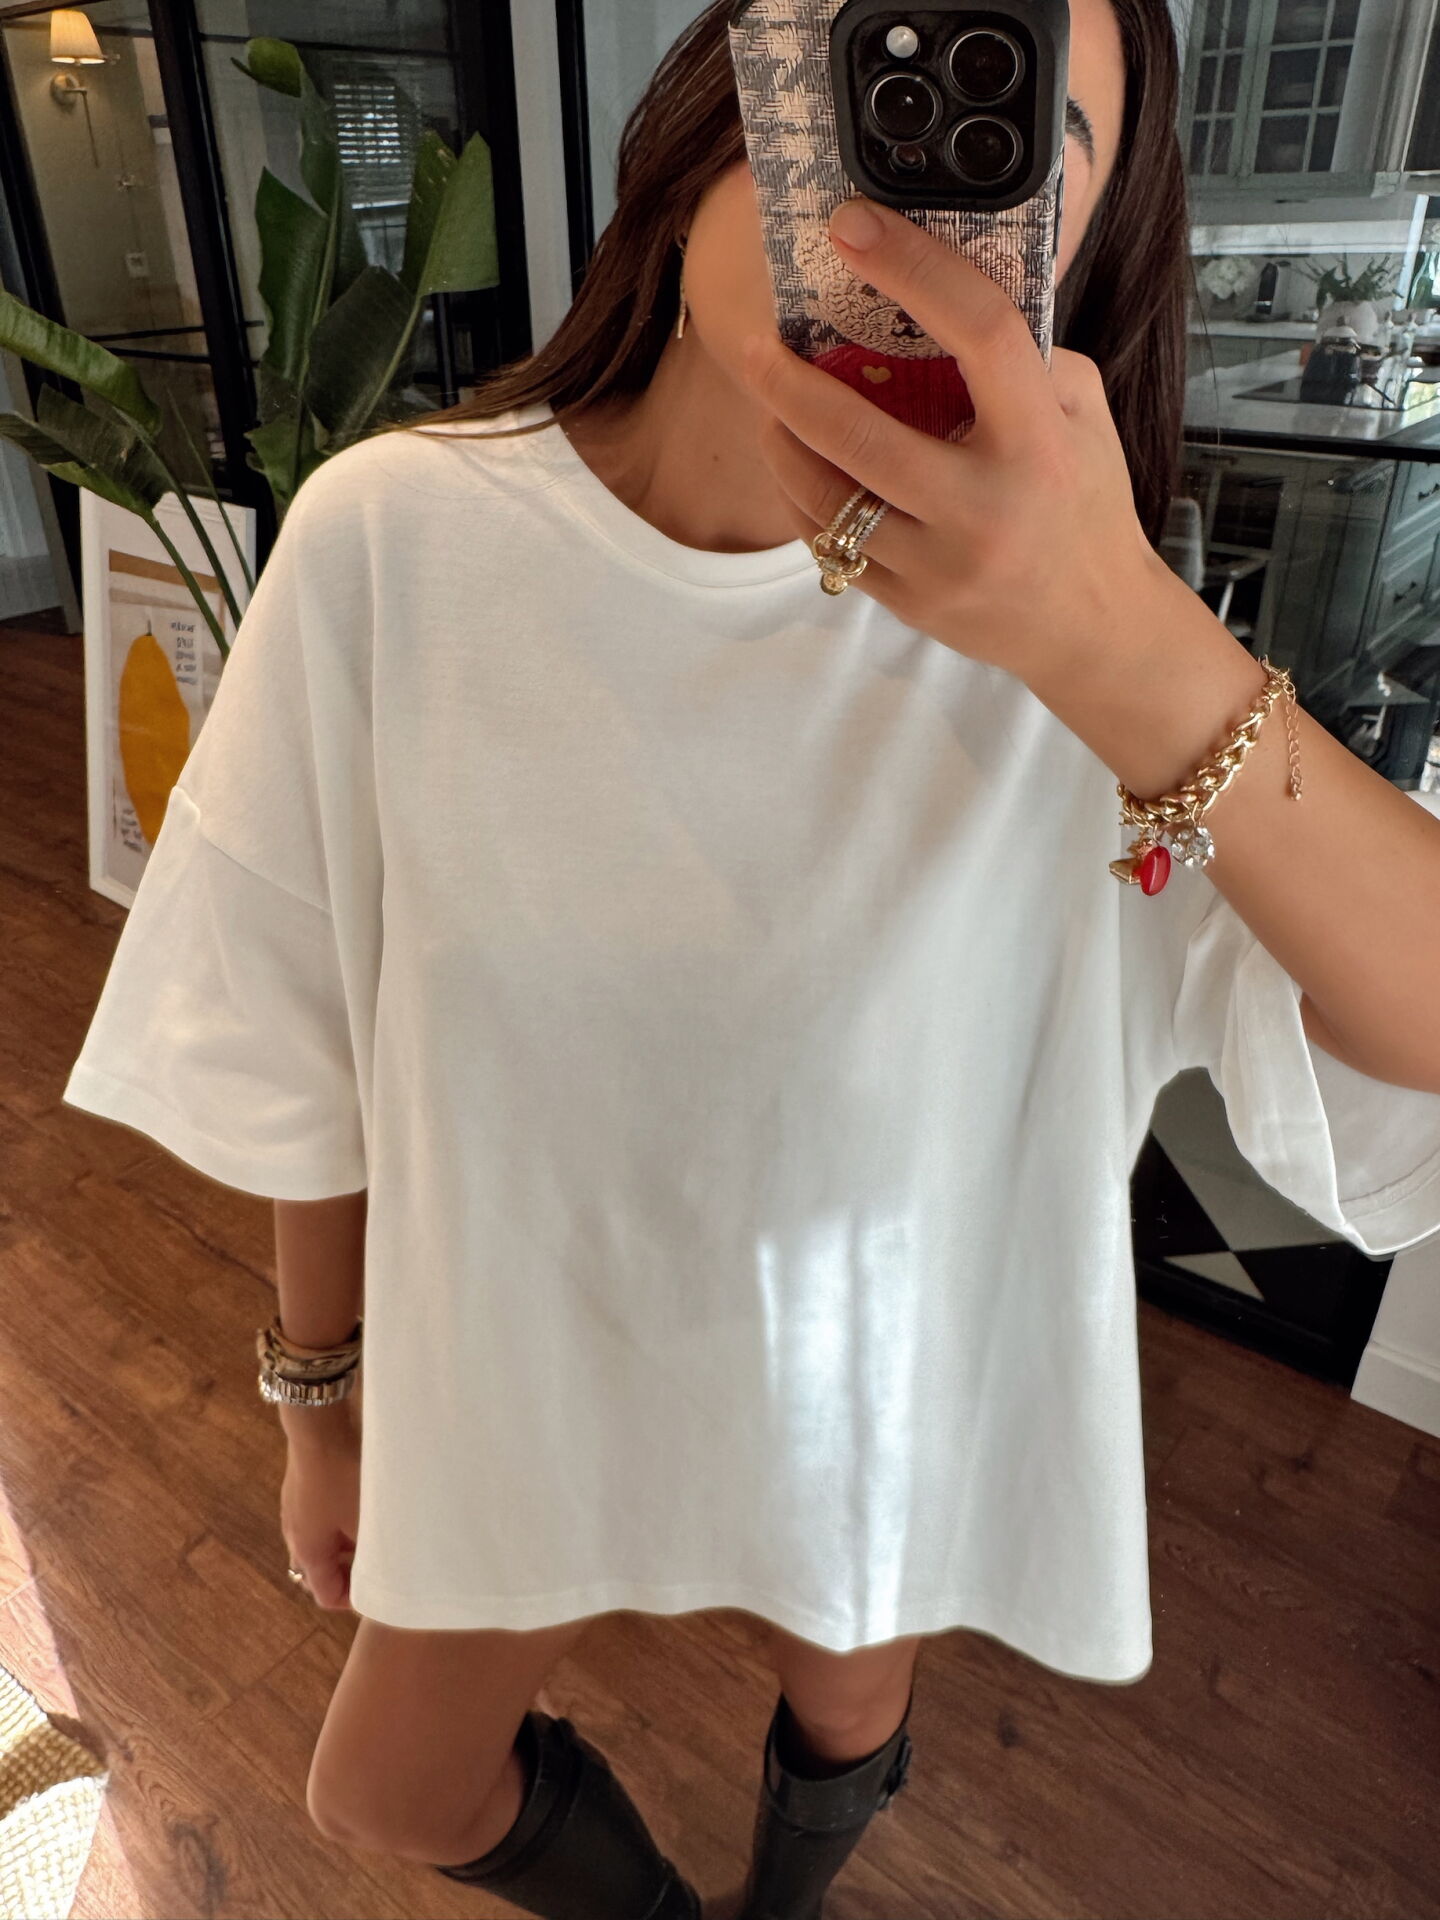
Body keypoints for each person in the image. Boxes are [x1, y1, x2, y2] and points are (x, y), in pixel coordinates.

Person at [60, 0, 1440, 1916]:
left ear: (1073, 257)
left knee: (848, 1703)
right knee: (388, 1786)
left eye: (1002, 144)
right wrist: (324, 1398)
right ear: (731, 101)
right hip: (524, 1355)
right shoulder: (398, 542)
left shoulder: (1086, 654)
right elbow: (322, 1033)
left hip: (872, 1356)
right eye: (878, 82)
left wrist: (1122, 645)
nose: (900, 208)